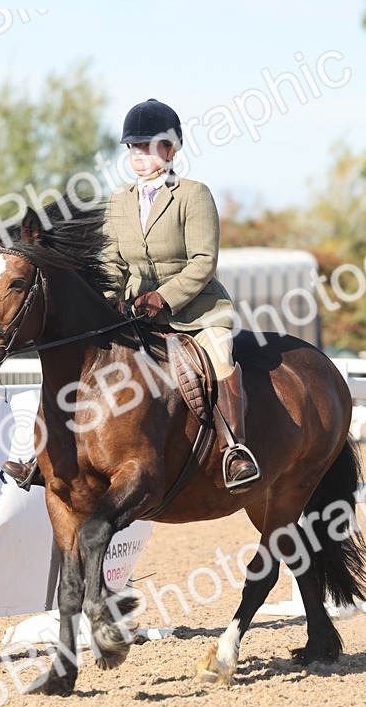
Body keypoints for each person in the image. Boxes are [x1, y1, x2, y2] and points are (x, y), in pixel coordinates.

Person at [102, 98, 260, 491]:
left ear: (170, 149)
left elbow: (203, 261)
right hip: (137, 313)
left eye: (148, 146)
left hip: (197, 312)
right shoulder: (119, 201)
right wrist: (108, 297)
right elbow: (112, 261)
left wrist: (164, 297)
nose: (138, 155)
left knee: (221, 359)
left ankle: (235, 451)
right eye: (133, 147)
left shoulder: (193, 194)